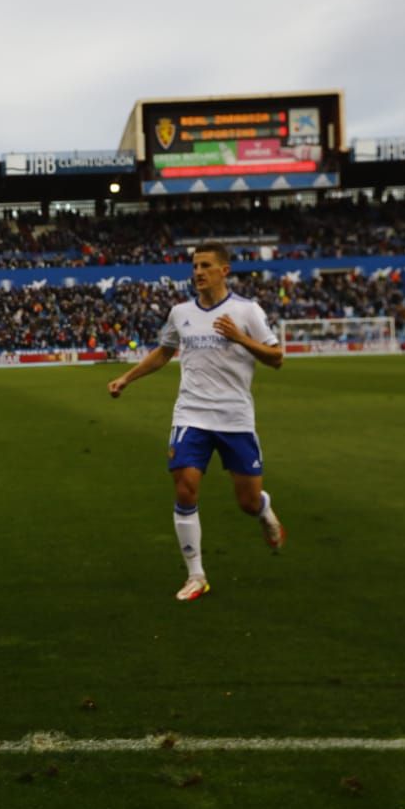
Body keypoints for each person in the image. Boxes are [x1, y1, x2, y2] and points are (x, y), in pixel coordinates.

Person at [107, 242, 287, 601]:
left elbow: (277, 357)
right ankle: (196, 575)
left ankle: (264, 510)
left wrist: (239, 338)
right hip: (191, 413)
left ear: (225, 271)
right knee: (185, 487)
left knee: (247, 502)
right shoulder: (180, 313)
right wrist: (127, 378)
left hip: (235, 417)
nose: (198, 272)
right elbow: (164, 352)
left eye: (205, 265)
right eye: (194, 266)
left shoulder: (246, 311)